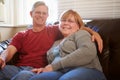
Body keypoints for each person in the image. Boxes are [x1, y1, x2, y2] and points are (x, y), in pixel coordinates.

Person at [0, 1, 103, 80]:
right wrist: (2, 58)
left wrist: (94, 32)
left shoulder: (57, 30)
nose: (41, 15)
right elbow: (9, 50)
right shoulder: (22, 35)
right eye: (38, 12)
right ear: (31, 14)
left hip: (37, 70)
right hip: (22, 68)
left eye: (44, 13)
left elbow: (77, 30)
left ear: (47, 16)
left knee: (24, 75)